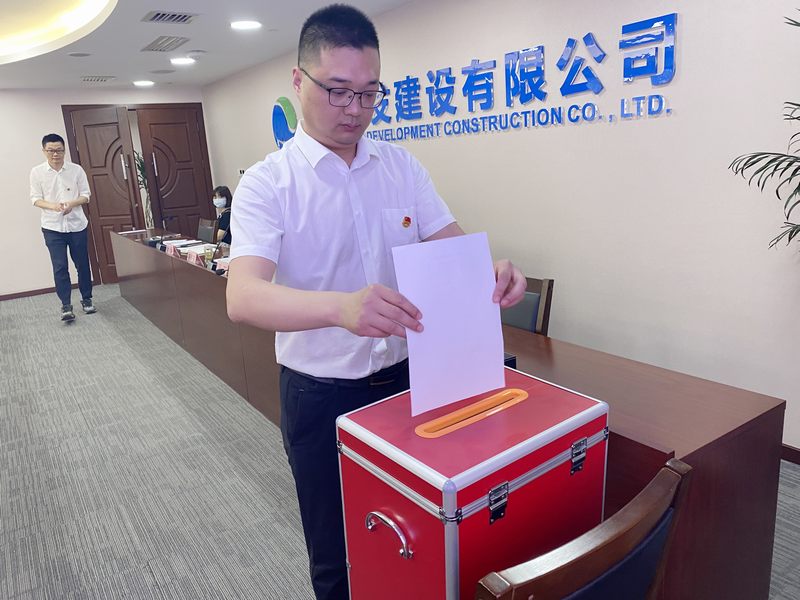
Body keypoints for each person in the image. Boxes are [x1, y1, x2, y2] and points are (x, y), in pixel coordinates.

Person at [225, 5, 526, 599]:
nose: (354, 110)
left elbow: (451, 248)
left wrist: (489, 272)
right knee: (336, 553)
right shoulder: (268, 183)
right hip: (321, 395)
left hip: (408, 383)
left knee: (415, 537)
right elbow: (244, 296)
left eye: (369, 94)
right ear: (298, 81)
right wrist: (340, 309)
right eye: (337, 91)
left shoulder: (400, 166)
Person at [30, 133, 96, 322]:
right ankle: (66, 305)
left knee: (82, 264)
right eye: (51, 150)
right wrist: (54, 207)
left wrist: (71, 204)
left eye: (59, 150)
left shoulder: (76, 170)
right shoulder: (37, 172)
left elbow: (86, 195)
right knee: (60, 267)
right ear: (44, 151)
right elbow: (35, 199)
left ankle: (87, 299)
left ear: (64, 150)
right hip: (52, 227)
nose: (55, 154)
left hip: (77, 225)